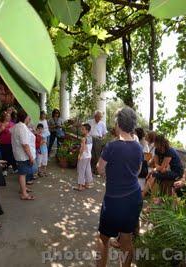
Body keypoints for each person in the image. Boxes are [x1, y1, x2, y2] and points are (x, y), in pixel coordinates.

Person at [96, 107, 143, 267]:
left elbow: (100, 169)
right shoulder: (138, 147)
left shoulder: (111, 146)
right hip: (133, 197)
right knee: (126, 238)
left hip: (114, 200)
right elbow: (137, 171)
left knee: (103, 238)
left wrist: (109, 173)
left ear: (118, 124)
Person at [10, 110, 36, 200]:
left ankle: (23, 189)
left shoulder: (17, 126)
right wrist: (31, 157)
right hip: (22, 155)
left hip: (19, 154)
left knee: (22, 173)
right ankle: (24, 194)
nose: (30, 118)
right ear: (25, 118)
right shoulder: (22, 128)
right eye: (29, 116)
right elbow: (25, 144)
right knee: (22, 174)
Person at [73, 123, 93, 192]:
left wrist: (79, 155)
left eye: (83, 129)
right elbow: (90, 147)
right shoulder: (90, 137)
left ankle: (80, 186)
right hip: (89, 156)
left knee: (81, 170)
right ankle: (87, 184)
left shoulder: (84, 138)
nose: (81, 130)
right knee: (87, 170)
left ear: (87, 130)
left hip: (84, 156)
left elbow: (83, 148)